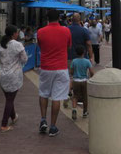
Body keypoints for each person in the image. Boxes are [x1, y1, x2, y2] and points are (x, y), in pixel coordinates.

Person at [37, 9, 72, 137]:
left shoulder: (40, 32)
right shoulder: (66, 31)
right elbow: (68, 46)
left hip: (46, 67)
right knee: (57, 97)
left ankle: (43, 119)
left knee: (43, 93)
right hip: (61, 67)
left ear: (47, 18)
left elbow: (41, 46)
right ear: (59, 18)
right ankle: (53, 126)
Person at [0, 25, 28, 132]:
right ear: (13, 34)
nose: (18, 34)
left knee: (9, 98)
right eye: (16, 32)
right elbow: (24, 59)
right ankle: (4, 124)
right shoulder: (18, 45)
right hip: (14, 75)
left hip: (2, 75)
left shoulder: (1, 45)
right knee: (10, 100)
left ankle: (13, 117)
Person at [69, 44, 94, 120]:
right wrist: (91, 77)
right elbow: (91, 71)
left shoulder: (74, 61)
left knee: (75, 96)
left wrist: (73, 74)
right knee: (85, 97)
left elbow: (71, 71)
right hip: (84, 80)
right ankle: (85, 112)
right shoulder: (87, 61)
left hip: (76, 81)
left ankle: (74, 109)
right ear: (84, 52)